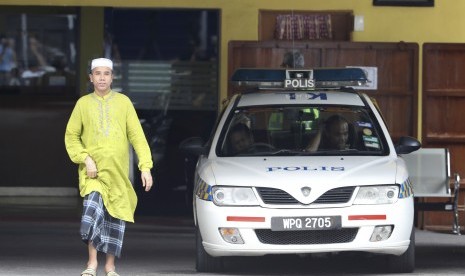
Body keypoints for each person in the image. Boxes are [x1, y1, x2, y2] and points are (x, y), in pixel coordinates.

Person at [65, 58, 153, 276]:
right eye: (97, 73)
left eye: (106, 73)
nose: (102, 77)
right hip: (92, 175)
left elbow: (138, 137)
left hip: (118, 174)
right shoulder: (83, 104)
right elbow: (71, 136)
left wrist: (145, 167)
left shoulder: (124, 103)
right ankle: (92, 263)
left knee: (114, 219)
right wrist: (85, 158)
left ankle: (110, 266)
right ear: (90, 78)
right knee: (92, 216)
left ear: (112, 77)